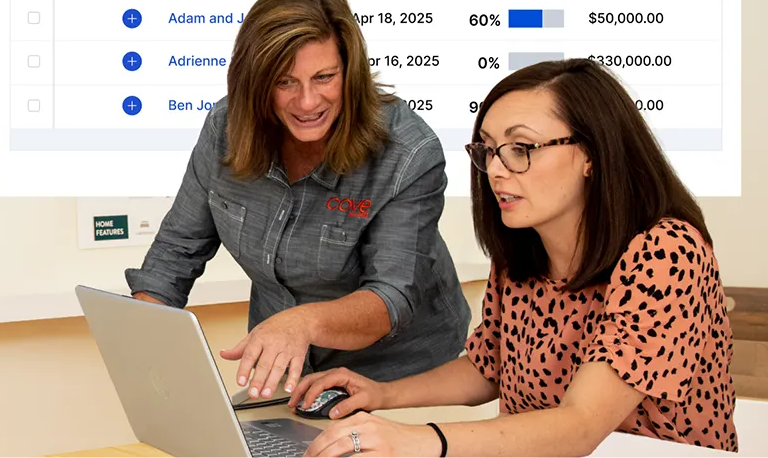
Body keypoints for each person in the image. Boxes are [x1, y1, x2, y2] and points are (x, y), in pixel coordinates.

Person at [290, 58, 739, 457]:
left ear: (591, 155)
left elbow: (580, 426)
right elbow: (487, 369)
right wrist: (381, 394)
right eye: (488, 150)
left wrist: (418, 440)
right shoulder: (522, 249)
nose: (496, 170)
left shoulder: (667, 252)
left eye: (521, 149)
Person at [125, 0, 472, 401]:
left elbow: (391, 297)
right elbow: (177, 251)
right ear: (256, 83)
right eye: (285, 82)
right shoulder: (226, 128)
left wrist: (301, 323)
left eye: (324, 77)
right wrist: (148, 342)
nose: (307, 102)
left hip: (401, 378)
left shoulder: (408, 152)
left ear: (350, 73)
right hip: (287, 369)